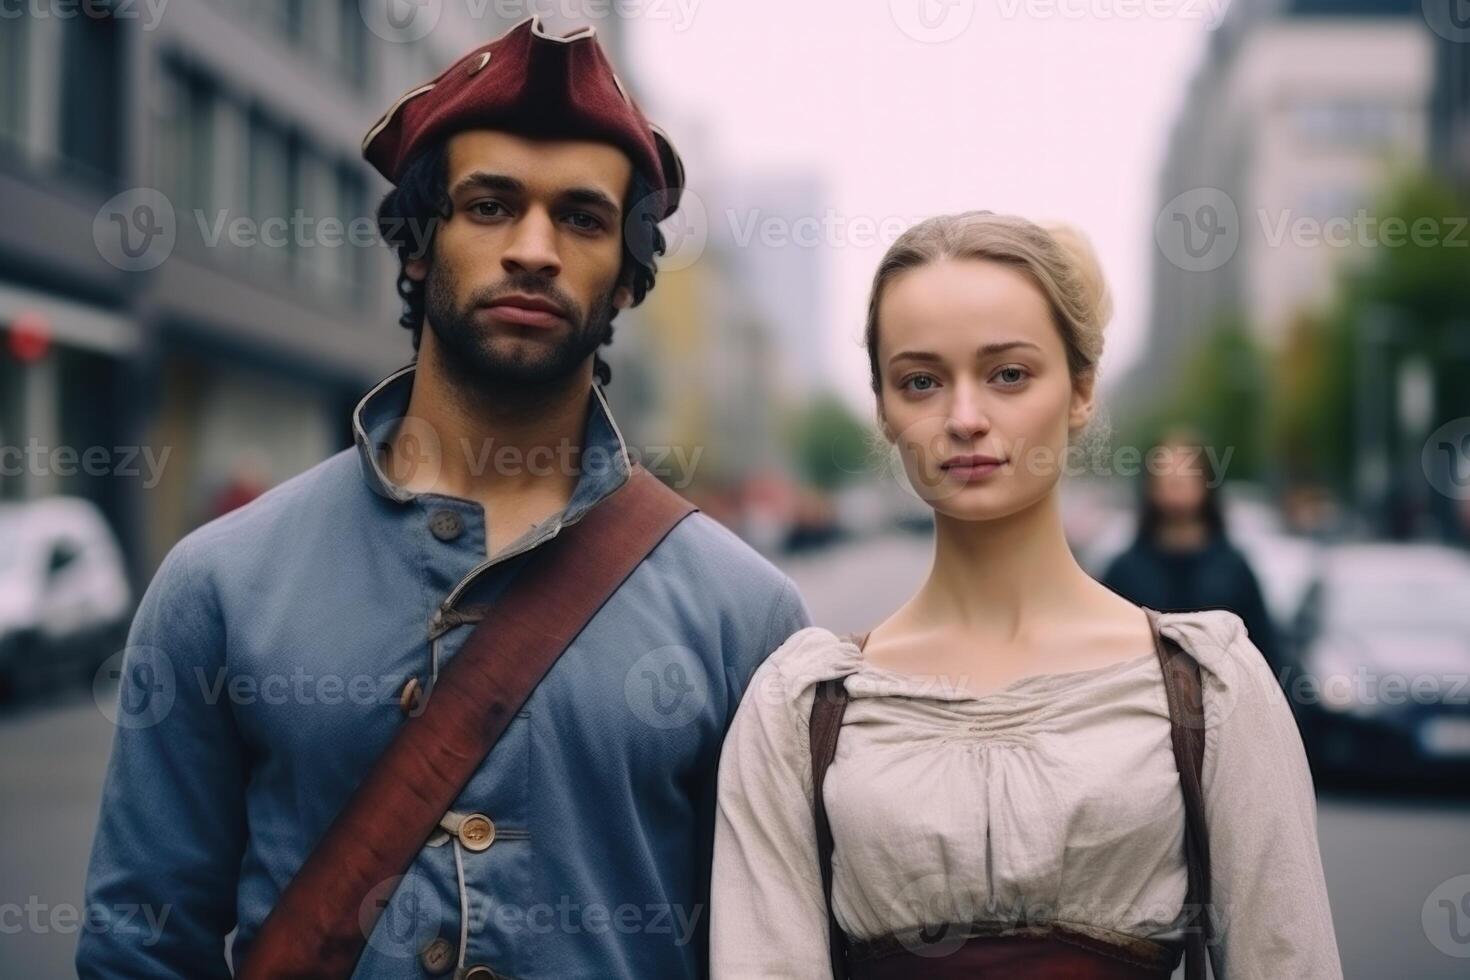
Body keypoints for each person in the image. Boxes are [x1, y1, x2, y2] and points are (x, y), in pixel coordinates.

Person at [77, 17, 809, 979]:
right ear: (418, 246)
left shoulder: (747, 618)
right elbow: (142, 948)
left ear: (629, 281)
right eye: (491, 205)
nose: (535, 248)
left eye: (584, 219)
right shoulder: (218, 583)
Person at [709, 212, 1341, 978]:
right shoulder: (798, 709)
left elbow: (1290, 959)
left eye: (1008, 373)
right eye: (921, 381)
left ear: (1080, 391)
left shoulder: (1210, 688)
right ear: (882, 408)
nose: (965, 419)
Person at [1102, 428, 1285, 674]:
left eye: (1187, 472)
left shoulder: (1233, 570)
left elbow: (1265, 653)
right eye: (1165, 472)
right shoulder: (1124, 572)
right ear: (1150, 485)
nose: (1176, 481)